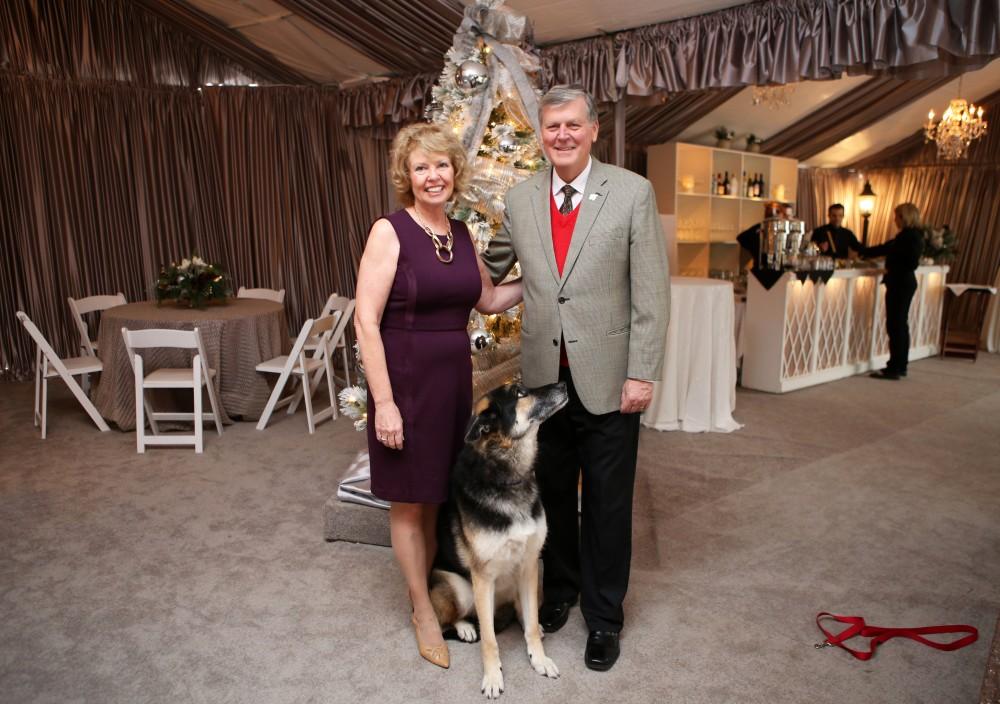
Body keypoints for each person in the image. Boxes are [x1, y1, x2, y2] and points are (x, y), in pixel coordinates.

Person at [482, 85, 670, 672]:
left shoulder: (632, 192)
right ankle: (560, 592)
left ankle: (605, 617)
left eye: (571, 125)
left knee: (610, 506)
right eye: (550, 127)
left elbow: (651, 292)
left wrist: (642, 372)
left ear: (591, 129)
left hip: (612, 379)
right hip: (545, 385)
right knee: (556, 498)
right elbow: (488, 269)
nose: (560, 135)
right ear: (540, 134)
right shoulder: (520, 198)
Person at [353, 123, 523, 669]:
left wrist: (548, 280)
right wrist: (383, 403)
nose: (433, 176)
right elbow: (365, 320)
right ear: (407, 175)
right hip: (405, 381)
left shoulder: (461, 233)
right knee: (409, 500)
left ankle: (426, 590)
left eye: (442, 165)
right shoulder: (390, 231)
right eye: (422, 166)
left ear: (455, 172)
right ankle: (423, 609)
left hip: (453, 382)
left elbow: (491, 299)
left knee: (435, 494)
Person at [862, 202, 925, 380]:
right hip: (902, 282)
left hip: (901, 283)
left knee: (896, 325)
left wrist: (891, 268)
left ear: (905, 217)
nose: (894, 219)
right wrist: (863, 251)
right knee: (899, 325)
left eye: (897, 216)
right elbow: (884, 248)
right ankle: (899, 365)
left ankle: (895, 367)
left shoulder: (909, 237)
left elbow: (911, 262)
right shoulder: (908, 236)